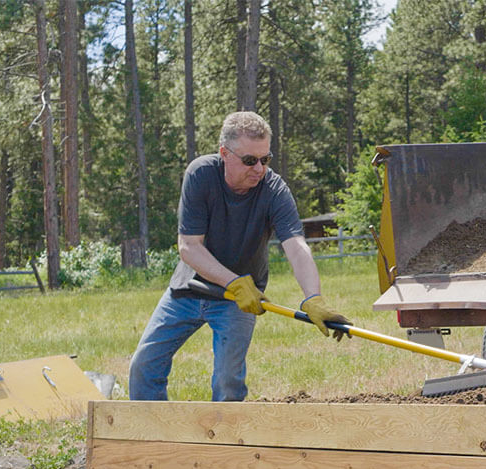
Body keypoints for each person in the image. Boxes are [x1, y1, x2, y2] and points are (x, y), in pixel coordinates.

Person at [128, 111, 351, 401]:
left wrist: (313, 297)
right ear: (224, 154)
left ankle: (227, 443)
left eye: (265, 159)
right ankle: (150, 436)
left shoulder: (274, 190)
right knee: (144, 366)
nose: (259, 168)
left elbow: (296, 245)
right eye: (249, 160)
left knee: (228, 381)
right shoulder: (200, 175)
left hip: (239, 301)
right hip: (191, 289)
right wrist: (234, 281)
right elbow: (189, 247)